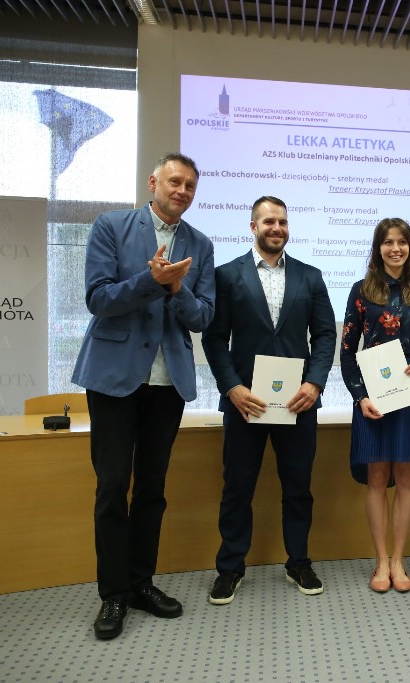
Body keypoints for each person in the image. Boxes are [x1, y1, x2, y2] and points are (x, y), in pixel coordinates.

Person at [72, 152, 215, 640]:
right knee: (113, 487)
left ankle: (140, 583)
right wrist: (151, 281)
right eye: (175, 181)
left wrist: (176, 290)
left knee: (152, 488)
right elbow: (98, 298)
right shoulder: (111, 226)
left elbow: (203, 317)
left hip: (167, 383)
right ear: (153, 182)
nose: (182, 191)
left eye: (190, 185)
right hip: (114, 378)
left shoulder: (200, 244)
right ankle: (113, 594)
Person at [201, 196, 336, 606]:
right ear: (253, 226)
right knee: (237, 488)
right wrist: (232, 387)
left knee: (298, 488)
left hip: (298, 403)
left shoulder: (310, 277)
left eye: (282, 221)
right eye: (269, 221)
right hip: (246, 403)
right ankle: (230, 568)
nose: (277, 228)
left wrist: (314, 384)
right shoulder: (227, 276)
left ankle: (299, 562)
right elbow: (214, 339)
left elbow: (325, 335)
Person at [340, 218, 410, 593]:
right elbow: (347, 351)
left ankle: (399, 560)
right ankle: (380, 561)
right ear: (378, 248)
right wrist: (360, 397)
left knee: (405, 478)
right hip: (373, 398)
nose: (395, 248)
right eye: (388, 242)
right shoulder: (361, 290)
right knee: (376, 478)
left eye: (402, 242)